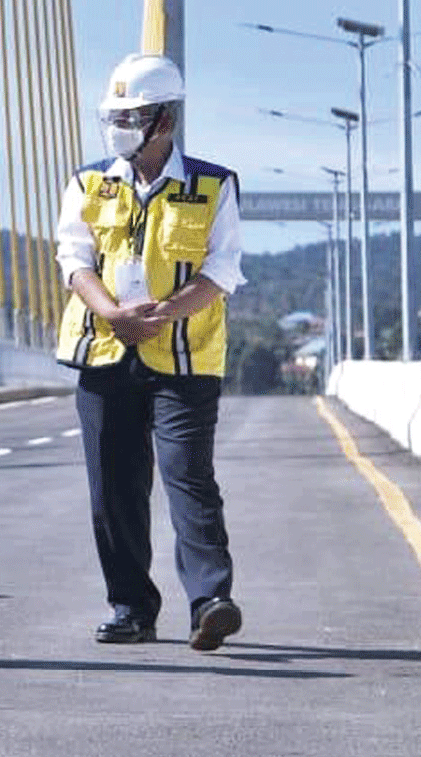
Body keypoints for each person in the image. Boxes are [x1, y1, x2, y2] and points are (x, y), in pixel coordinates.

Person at [55, 52, 246, 652]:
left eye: (131, 114)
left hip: (184, 359)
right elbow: (74, 260)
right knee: (113, 489)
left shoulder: (213, 185)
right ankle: (131, 607)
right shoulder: (89, 183)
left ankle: (210, 602)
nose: (119, 125)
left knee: (189, 479)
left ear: (165, 121)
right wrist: (113, 315)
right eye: (114, 114)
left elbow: (222, 272)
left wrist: (160, 315)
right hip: (104, 353)